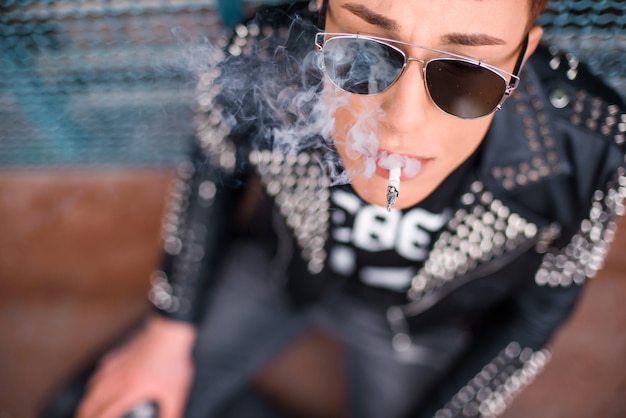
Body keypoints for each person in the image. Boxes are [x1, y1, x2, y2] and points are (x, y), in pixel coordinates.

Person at [42, 0, 625, 417]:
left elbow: (539, 314)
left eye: (467, 72)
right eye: (364, 50)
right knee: (104, 407)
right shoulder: (266, 50)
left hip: (416, 327)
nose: (403, 122)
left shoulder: (595, 143)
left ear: (522, 57)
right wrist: (168, 329)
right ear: (322, 12)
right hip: (278, 271)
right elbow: (210, 168)